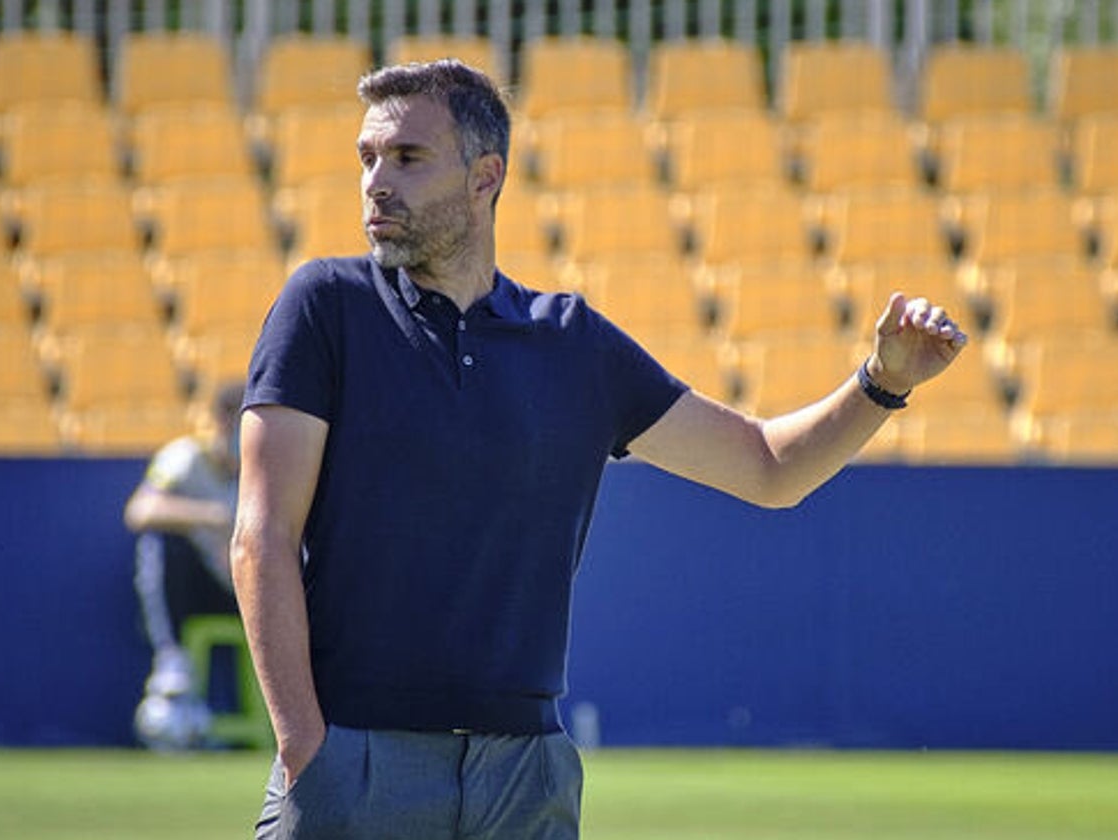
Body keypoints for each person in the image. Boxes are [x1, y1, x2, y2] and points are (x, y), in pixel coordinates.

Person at [231, 60, 967, 838]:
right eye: (367, 159)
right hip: (355, 759)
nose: (377, 181)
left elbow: (768, 468)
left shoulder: (570, 342)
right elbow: (260, 538)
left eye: (408, 157)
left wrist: (881, 382)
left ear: (487, 177)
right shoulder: (324, 306)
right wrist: (306, 746)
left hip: (528, 775)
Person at [125, 380, 244, 747]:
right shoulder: (185, 458)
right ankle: (172, 660)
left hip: (253, 590)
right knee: (162, 544)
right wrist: (209, 517)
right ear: (222, 422)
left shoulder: (272, 468)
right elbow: (140, 511)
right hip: (200, 586)